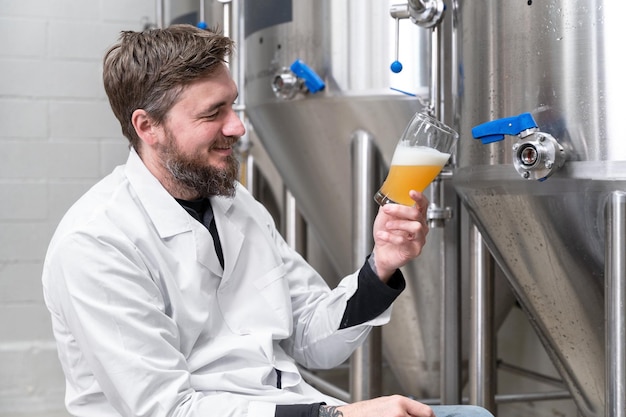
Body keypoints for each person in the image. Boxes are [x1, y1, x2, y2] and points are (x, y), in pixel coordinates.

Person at [42, 24, 493, 417]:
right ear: (147, 127)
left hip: (290, 405)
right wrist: (337, 415)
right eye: (212, 113)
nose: (237, 126)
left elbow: (312, 337)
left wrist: (382, 265)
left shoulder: (236, 204)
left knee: (472, 415)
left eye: (232, 106)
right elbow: (168, 409)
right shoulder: (97, 242)